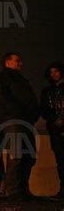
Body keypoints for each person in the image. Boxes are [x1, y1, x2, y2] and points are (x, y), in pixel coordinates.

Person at [0, 52, 39, 200]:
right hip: (14, 120)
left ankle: (22, 189)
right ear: (8, 63)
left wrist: (32, 114)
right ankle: (12, 191)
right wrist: (18, 111)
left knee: (28, 156)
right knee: (16, 155)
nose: (20, 63)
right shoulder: (4, 79)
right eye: (17, 60)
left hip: (25, 121)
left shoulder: (20, 80)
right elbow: (2, 98)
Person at [40, 62, 64, 198]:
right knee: (60, 160)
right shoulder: (47, 91)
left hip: (56, 127)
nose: (54, 74)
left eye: (56, 71)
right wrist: (55, 120)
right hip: (55, 130)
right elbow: (44, 110)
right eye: (51, 72)